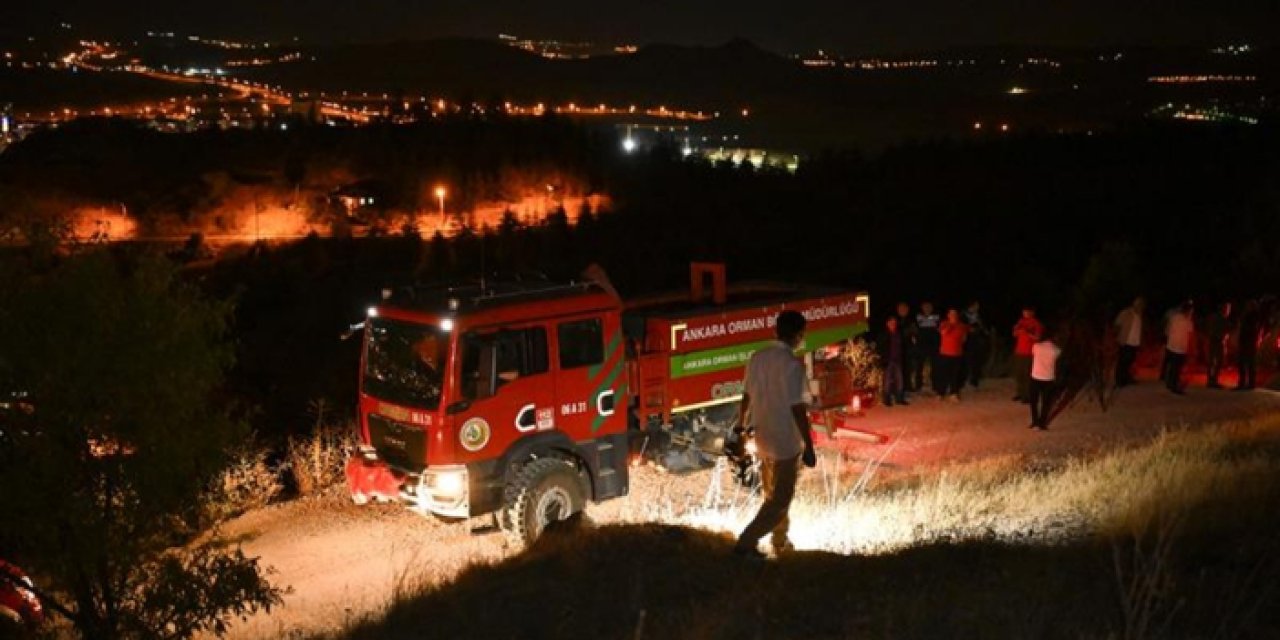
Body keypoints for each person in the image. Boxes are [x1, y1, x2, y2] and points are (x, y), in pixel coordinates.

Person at [734, 310, 816, 558]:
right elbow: (797, 408)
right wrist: (809, 446)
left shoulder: (757, 357)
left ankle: (780, 541)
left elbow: (746, 395)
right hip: (785, 441)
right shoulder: (792, 365)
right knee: (780, 500)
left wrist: (740, 428)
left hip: (762, 437)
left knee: (773, 494)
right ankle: (746, 543)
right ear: (799, 335)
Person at [1028, 328, 1062, 430]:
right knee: (1046, 403)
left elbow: (1033, 352)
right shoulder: (1056, 350)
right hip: (1048, 378)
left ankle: (1035, 421)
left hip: (1035, 377)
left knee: (1034, 402)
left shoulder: (1036, 347)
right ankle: (1042, 423)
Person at [1011, 306, 1044, 402]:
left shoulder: (1036, 324)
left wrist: (1027, 332)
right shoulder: (1021, 322)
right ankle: (1020, 393)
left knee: (1027, 374)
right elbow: (1014, 334)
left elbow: (1038, 337)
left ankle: (1028, 396)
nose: (1025, 313)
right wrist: (1018, 331)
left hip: (1029, 352)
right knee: (1019, 374)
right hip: (1019, 351)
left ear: (1032, 312)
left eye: (1027, 311)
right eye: (1024, 311)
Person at [876, 315, 909, 407]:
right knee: (887, 380)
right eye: (891, 323)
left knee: (900, 380)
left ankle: (900, 398)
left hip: (898, 360)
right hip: (888, 360)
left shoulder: (899, 334)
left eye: (894, 323)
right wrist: (882, 359)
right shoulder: (883, 334)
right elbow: (880, 348)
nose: (893, 324)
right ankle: (887, 399)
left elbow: (903, 347)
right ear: (887, 324)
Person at [937, 308, 969, 401]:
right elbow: (943, 332)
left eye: (955, 314)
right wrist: (951, 324)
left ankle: (953, 393)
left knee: (955, 375)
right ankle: (940, 393)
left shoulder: (962, 326)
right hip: (945, 353)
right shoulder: (944, 324)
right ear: (948, 315)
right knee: (943, 374)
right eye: (951, 314)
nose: (953, 316)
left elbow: (964, 339)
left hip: (957, 354)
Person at [1164, 301, 1194, 395]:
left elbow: (1167, 330)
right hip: (1180, 347)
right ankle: (1174, 386)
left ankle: (1169, 383)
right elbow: (1190, 334)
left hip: (1171, 346)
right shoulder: (1187, 321)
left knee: (1172, 366)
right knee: (1177, 368)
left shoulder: (1174, 318)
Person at [1114, 297, 1145, 387]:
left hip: (1134, 343)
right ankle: (1119, 381)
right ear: (1134, 304)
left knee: (1129, 362)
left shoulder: (1140, 316)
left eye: (1142, 306)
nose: (1140, 307)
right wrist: (1117, 338)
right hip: (1125, 341)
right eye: (1139, 305)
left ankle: (1126, 378)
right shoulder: (1125, 313)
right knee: (1122, 361)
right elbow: (1117, 325)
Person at [1205, 302, 1233, 389]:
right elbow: (1228, 329)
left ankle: (1210, 380)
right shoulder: (1222, 319)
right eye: (1228, 309)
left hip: (1213, 340)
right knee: (1217, 361)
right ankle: (1213, 380)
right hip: (1217, 341)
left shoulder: (1213, 317)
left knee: (1212, 361)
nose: (1229, 311)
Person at [1235, 299, 1262, 391]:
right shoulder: (1252, 316)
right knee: (1248, 363)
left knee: (1246, 363)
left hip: (1248, 342)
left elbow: (1251, 330)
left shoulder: (1252, 316)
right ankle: (1248, 383)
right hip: (1248, 342)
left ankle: (1246, 383)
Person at [915, 302, 941, 394]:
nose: (927, 308)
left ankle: (936, 386)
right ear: (922, 307)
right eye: (925, 307)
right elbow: (916, 329)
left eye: (929, 307)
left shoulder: (937, 317)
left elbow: (939, 329)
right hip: (921, 345)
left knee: (935, 367)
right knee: (919, 366)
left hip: (933, 345)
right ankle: (918, 386)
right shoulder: (918, 317)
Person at [962, 301, 990, 388]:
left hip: (977, 340)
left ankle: (974, 380)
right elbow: (961, 326)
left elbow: (983, 327)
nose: (977, 308)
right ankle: (965, 378)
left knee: (977, 360)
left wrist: (983, 331)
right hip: (967, 340)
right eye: (975, 306)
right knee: (966, 360)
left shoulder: (979, 315)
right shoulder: (963, 315)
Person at [895, 302, 919, 395]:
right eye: (901, 309)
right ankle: (899, 387)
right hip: (897, 348)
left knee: (908, 368)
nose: (903, 311)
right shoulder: (895, 320)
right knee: (899, 369)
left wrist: (913, 333)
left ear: (908, 310)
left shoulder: (911, 320)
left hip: (909, 348)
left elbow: (915, 333)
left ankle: (908, 386)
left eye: (904, 309)